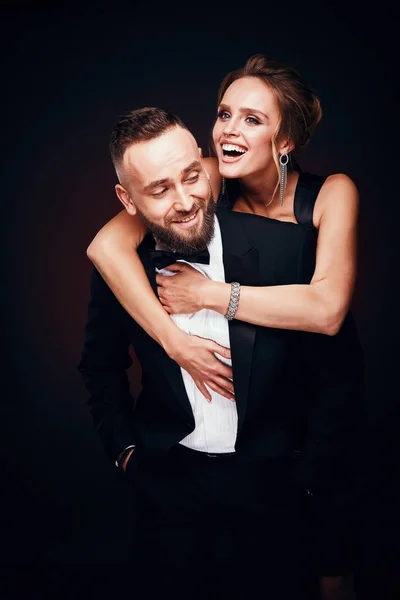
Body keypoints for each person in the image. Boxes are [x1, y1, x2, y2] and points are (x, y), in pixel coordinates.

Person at [80, 59, 365, 598]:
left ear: (285, 140)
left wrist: (211, 295)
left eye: (252, 119)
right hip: (174, 483)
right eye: (223, 113)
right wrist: (176, 344)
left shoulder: (325, 200)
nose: (230, 129)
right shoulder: (201, 177)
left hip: (281, 469)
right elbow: (105, 247)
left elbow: (328, 312)